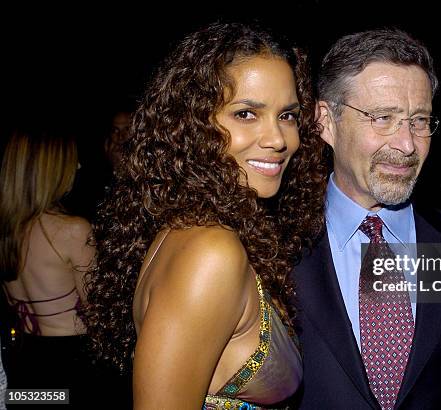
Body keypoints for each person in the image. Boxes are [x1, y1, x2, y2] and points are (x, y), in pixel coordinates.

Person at [84, 21, 327, 409]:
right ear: (192, 125)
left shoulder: (200, 229)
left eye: (288, 115)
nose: (279, 139)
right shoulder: (209, 250)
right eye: (246, 114)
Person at [292, 28, 441, 410]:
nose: (407, 144)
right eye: (383, 118)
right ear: (326, 122)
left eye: (420, 120)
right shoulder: (268, 246)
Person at [0, 125, 96, 403]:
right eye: (70, 160)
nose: (78, 165)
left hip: (22, 360)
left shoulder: (7, 230)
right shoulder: (72, 230)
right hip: (71, 363)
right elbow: (100, 310)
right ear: (49, 169)